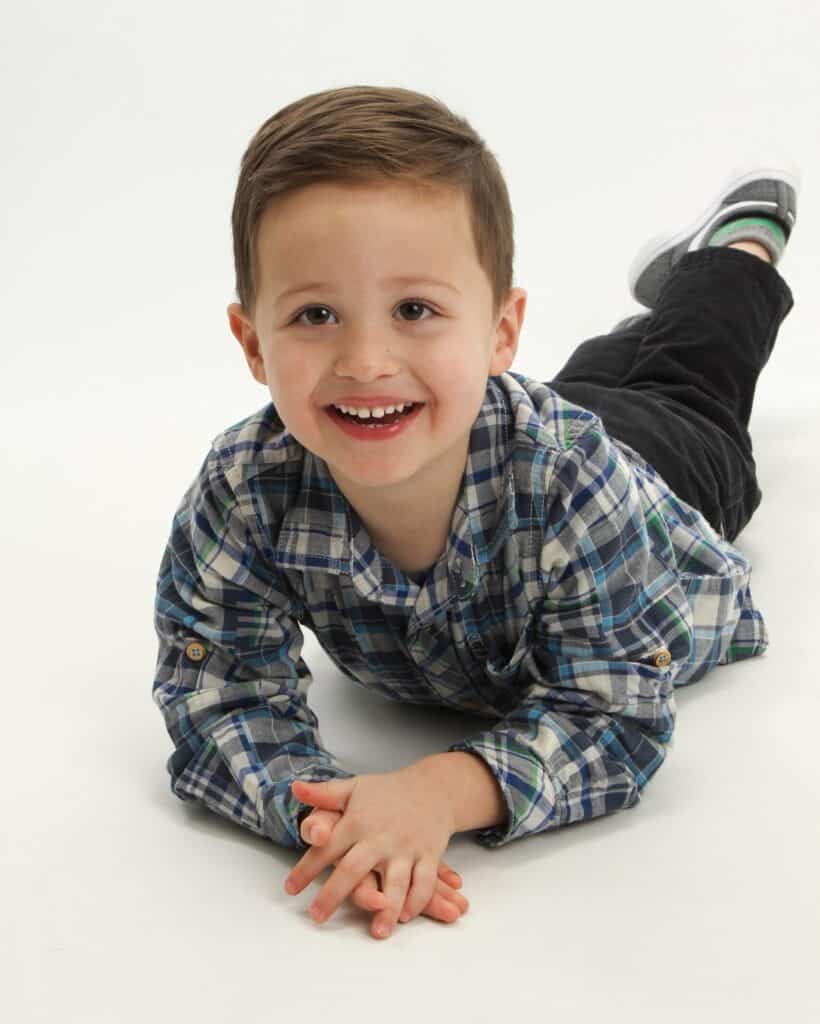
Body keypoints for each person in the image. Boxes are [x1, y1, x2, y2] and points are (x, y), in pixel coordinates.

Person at [151, 84, 797, 941]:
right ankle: (645, 314)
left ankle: (739, 245)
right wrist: (327, 819)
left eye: (414, 309)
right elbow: (219, 692)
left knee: (697, 366)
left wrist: (436, 790)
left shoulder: (573, 480)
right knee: (600, 369)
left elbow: (611, 713)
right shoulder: (245, 485)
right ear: (254, 343)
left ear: (503, 330)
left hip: (667, 467)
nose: (367, 360)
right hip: (484, 410)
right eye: (316, 315)